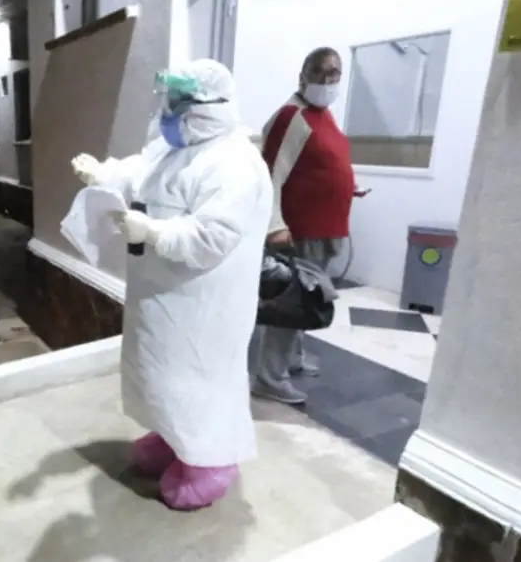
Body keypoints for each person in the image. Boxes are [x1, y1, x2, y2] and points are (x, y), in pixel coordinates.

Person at [70, 59, 272, 511]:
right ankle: (174, 438)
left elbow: (213, 235)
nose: (169, 111)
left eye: (179, 102)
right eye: (169, 100)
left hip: (204, 304)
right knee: (163, 375)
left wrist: (154, 232)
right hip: (159, 295)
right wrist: (103, 174)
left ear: (210, 106)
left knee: (200, 381)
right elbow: (142, 172)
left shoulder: (235, 162)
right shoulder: (174, 148)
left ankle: (211, 460)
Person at [253, 46, 363, 405]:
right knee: (290, 302)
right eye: (321, 73)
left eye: (335, 74)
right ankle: (269, 378)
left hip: (325, 227)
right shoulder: (292, 116)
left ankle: (292, 359)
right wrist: (274, 225)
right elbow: (269, 175)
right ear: (303, 76)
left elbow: (319, 166)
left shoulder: (323, 116)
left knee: (307, 299)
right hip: (299, 231)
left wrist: (345, 188)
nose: (329, 81)